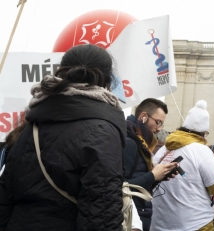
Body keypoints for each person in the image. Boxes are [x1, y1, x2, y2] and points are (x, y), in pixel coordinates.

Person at [0, 44, 126, 230]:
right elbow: (102, 217)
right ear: (108, 80)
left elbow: (5, 195)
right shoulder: (102, 131)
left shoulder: (31, 122)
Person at [152, 100, 214, 231]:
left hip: (158, 225)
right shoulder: (201, 150)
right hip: (195, 225)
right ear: (203, 132)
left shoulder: (163, 150)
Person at [124, 98, 178, 231]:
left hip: (139, 214)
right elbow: (120, 187)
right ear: (143, 117)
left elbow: (137, 180)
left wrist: (159, 176)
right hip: (131, 219)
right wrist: (152, 176)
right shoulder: (130, 143)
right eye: (158, 122)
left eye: (162, 124)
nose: (159, 129)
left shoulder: (142, 143)